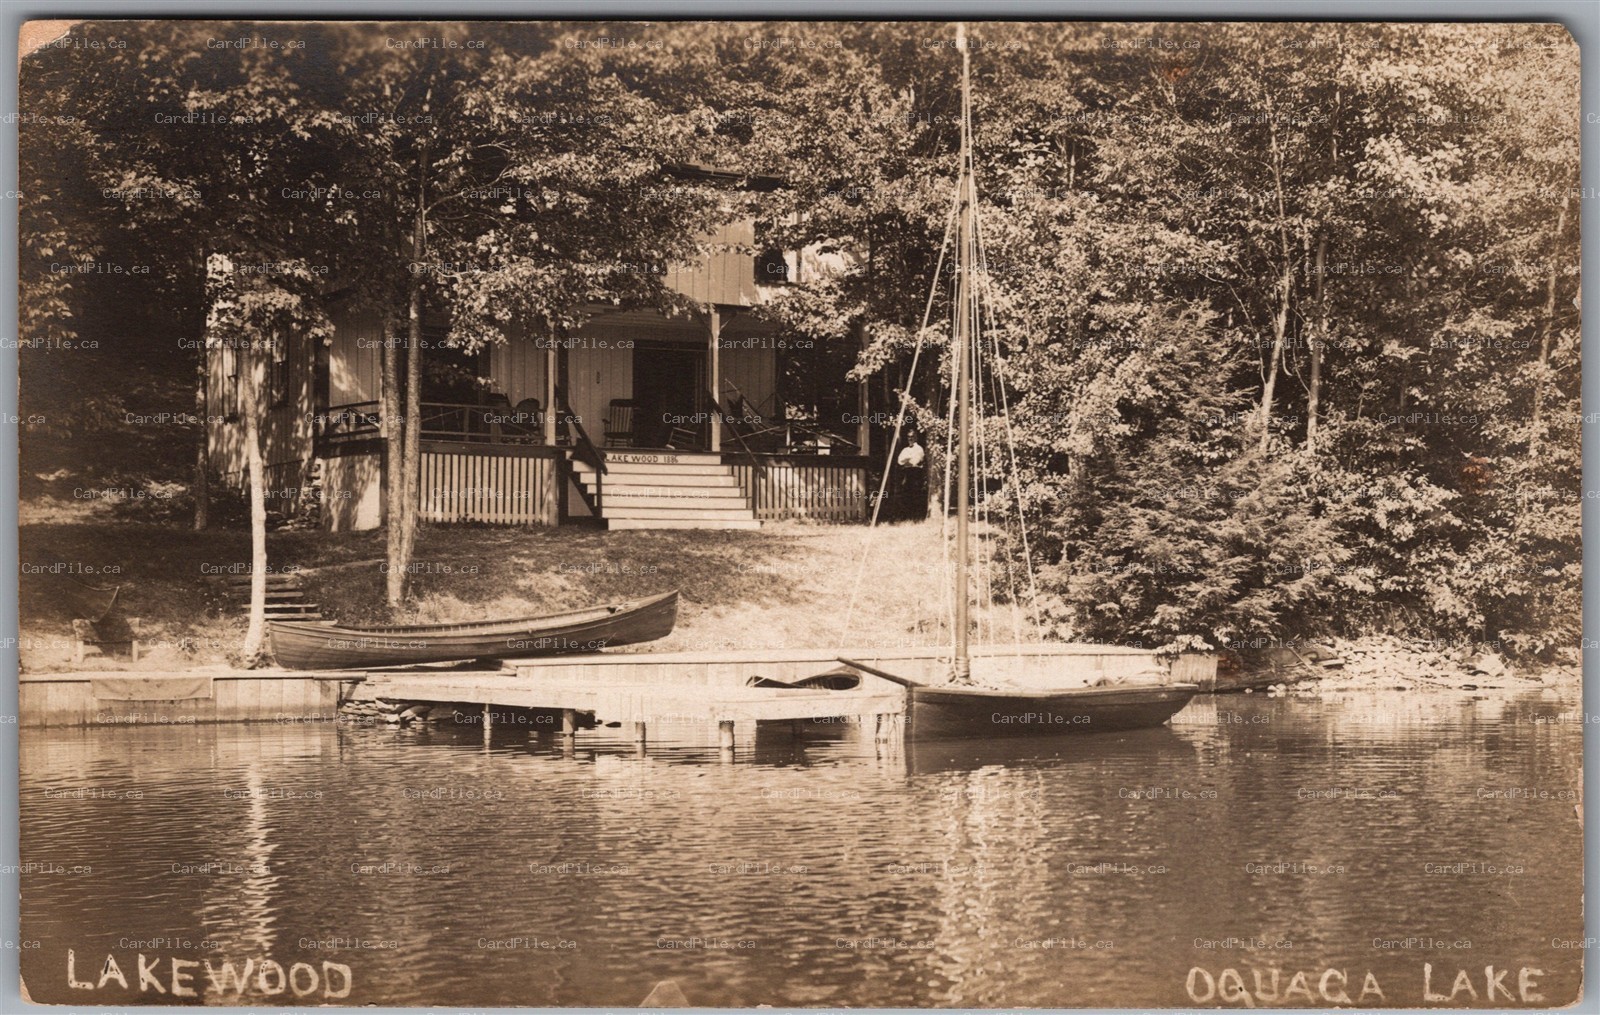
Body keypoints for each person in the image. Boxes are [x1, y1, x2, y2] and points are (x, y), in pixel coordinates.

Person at [895, 432, 927, 520]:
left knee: (915, 494)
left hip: (916, 474)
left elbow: (916, 461)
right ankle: (907, 516)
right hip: (907, 473)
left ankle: (916, 516)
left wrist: (907, 460)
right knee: (906, 495)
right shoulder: (905, 450)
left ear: (916, 438)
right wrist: (908, 460)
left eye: (912, 436)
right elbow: (900, 461)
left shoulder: (919, 449)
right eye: (908, 437)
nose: (910, 439)